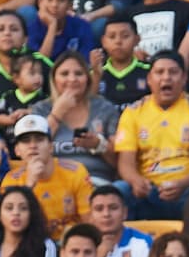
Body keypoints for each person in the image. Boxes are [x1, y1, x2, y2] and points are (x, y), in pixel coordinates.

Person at [113, 51, 189, 221]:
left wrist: (182, 183)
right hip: (149, 191)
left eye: (173, 72)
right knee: (118, 191)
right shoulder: (133, 112)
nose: (166, 78)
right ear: (149, 79)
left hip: (187, 190)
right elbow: (125, 163)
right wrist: (136, 181)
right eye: (159, 72)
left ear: (184, 77)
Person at [29, 50, 120, 183]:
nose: (72, 79)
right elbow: (33, 151)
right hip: (54, 182)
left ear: (87, 79)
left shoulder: (105, 108)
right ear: (54, 79)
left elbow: (119, 162)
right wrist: (56, 114)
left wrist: (99, 144)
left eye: (79, 73)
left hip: (96, 182)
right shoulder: (41, 109)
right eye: (64, 74)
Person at [0, 114, 93, 239]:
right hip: (30, 243)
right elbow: (9, 227)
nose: (33, 145)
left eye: (39, 139)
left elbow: (89, 222)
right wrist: (29, 184)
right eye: (26, 141)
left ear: (50, 147)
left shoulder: (75, 172)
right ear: (17, 150)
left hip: (69, 243)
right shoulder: (12, 179)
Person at [90, 184, 151, 257]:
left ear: (125, 212)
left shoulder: (144, 242)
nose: (106, 214)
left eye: (113, 208)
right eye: (99, 209)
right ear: (91, 215)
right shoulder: (82, 245)